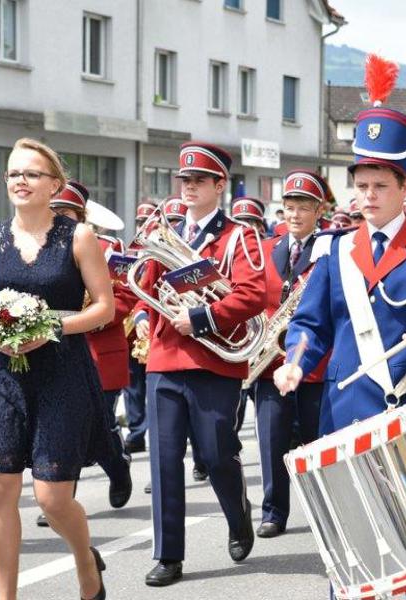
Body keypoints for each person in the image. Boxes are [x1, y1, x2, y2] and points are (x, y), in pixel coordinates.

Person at [274, 94, 406, 600]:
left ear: (405, 186)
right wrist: (295, 363)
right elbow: (310, 323)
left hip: (405, 410)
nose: (368, 196)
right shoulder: (334, 248)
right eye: (361, 186)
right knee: (351, 544)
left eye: (380, 186)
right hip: (343, 413)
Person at [0, 138, 115, 600]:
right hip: (2, 373)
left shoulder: (79, 236)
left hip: (61, 372)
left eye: (31, 174)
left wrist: (50, 328)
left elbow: (105, 308)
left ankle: (84, 559)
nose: (20, 181)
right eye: (13, 173)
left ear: (55, 184)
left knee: (52, 500)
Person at [133, 141, 264, 587]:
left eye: (198, 181)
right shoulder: (167, 232)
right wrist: (139, 316)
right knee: (164, 458)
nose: (188, 187)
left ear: (219, 185)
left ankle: (238, 511)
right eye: (184, 180)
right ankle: (169, 555)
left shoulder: (239, 236)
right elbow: (143, 285)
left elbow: (252, 294)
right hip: (166, 359)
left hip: (214, 360)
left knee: (215, 452)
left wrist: (203, 316)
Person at [250, 170, 331, 539]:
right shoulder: (268, 249)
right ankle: (273, 511)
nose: (294, 215)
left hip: (316, 364)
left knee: (318, 440)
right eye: (289, 207)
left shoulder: (331, 249)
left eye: (303, 208)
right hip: (270, 362)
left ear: (319, 210)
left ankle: (326, 511)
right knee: (272, 439)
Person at [48, 180, 135, 514]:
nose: (59, 219)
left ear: (80, 215)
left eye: (65, 213)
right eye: (53, 212)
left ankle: (117, 465)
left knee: (99, 424)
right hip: (56, 350)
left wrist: (92, 316)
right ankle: (61, 500)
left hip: (99, 350)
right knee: (61, 425)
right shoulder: (39, 250)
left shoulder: (110, 248)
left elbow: (126, 297)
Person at [122, 200, 158, 454]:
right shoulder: (129, 253)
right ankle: (136, 433)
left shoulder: (160, 252)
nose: (142, 227)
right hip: (132, 328)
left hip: (155, 328)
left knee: (156, 389)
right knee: (132, 385)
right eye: (139, 223)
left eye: (147, 222)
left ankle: (156, 433)